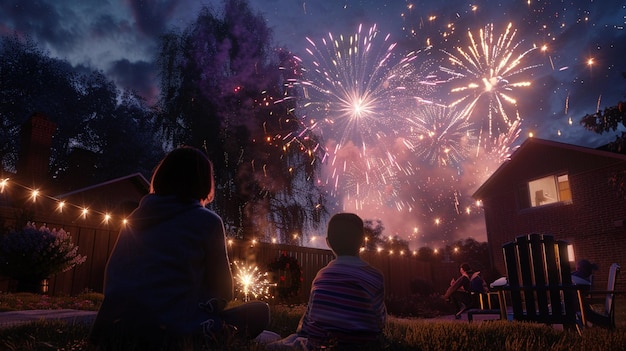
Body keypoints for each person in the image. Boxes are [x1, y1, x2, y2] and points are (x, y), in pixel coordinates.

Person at [89, 146, 270, 349]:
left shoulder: (134, 219)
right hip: (174, 333)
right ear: (203, 182)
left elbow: (113, 279)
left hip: (116, 329)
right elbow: (223, 290)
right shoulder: (207, 221)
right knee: (259, 312)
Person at [266, 213, 387, 350]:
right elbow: (379, 320)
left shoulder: (322, 275)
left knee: (279, 343)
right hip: (361, 345)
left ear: (328, 242)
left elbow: (308, 318)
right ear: (363, 241)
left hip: (318, 345)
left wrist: (302, 334)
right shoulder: (375, 276)